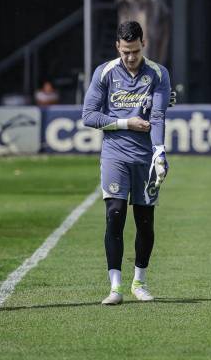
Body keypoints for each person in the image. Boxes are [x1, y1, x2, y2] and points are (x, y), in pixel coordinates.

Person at [82, 21, 171, 304]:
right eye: (125, 52)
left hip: (145, 159)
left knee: (145, 222)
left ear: (143, 44)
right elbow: (89, 116)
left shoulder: (158, 73)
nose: (130, 57)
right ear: (117, 47)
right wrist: (126, 123)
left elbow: (158, 116)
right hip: (115, 155)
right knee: (115, 215)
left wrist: (159, 152)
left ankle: (139, 282)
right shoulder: (105, 72)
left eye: (135, 51)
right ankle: (115, 287)